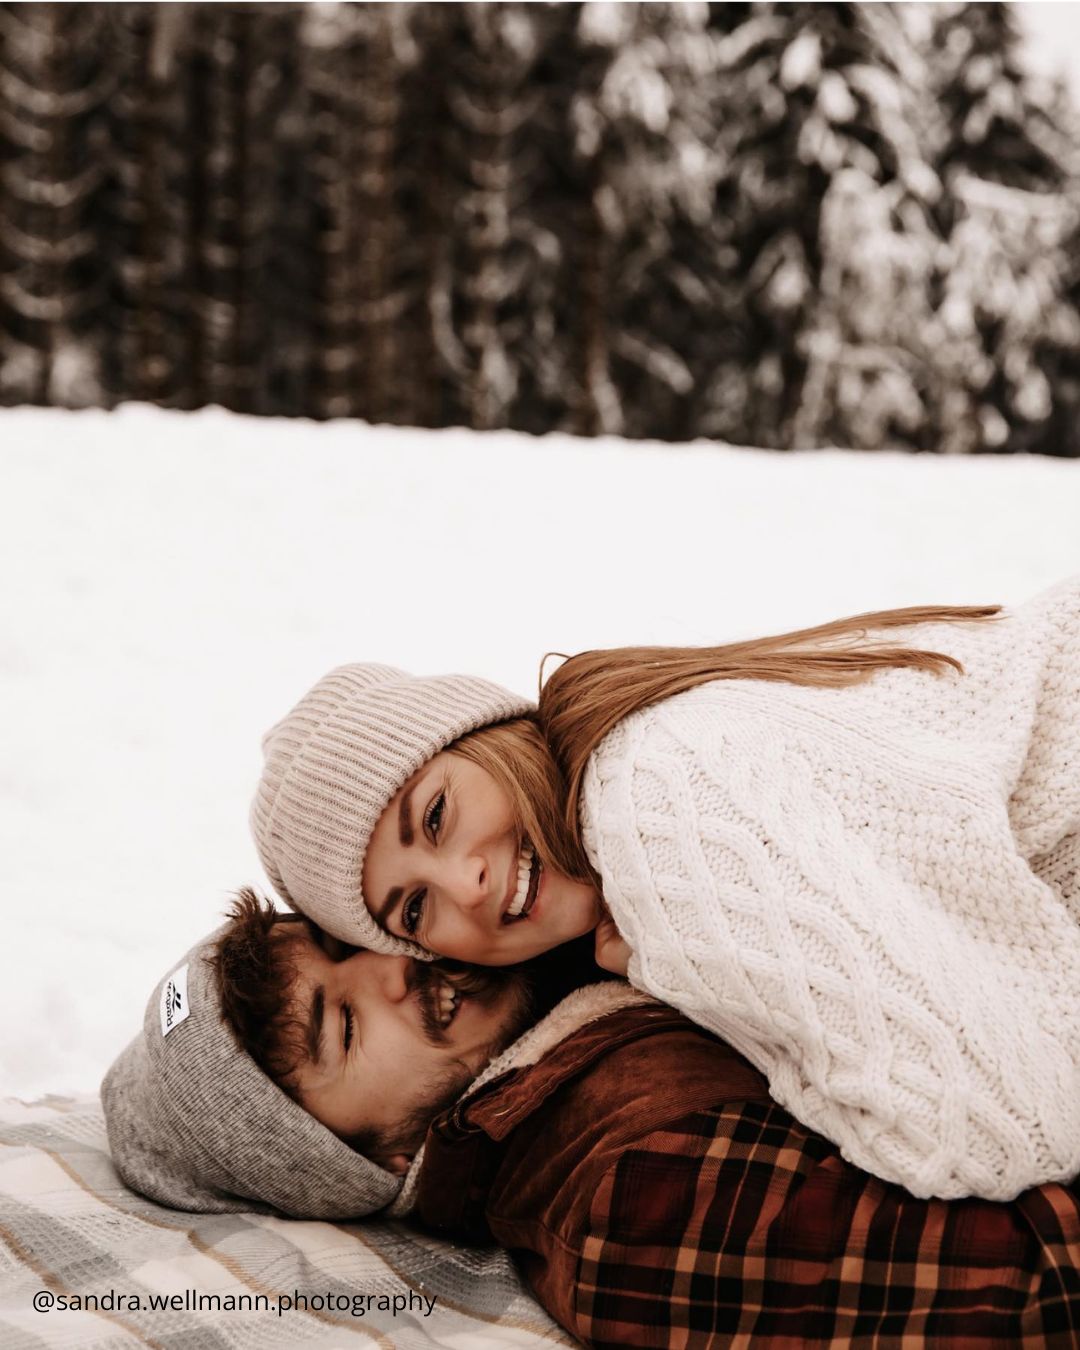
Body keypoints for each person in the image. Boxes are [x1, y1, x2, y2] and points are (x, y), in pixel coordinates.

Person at [251, 575, 1080, 1202]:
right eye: (414, 908)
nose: (464, 882)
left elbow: (1007, 1133)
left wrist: (680, 966)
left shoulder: (655, 798)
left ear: (486, 735)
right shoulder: (646, 742)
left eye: (434, 816)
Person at [103, 895, 1080, 1347]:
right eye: (343, 1026)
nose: (393, 968)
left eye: (341, 945)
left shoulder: (585, 976)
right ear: (365, 1161)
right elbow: (1040, 1280)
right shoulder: (632, 1206)